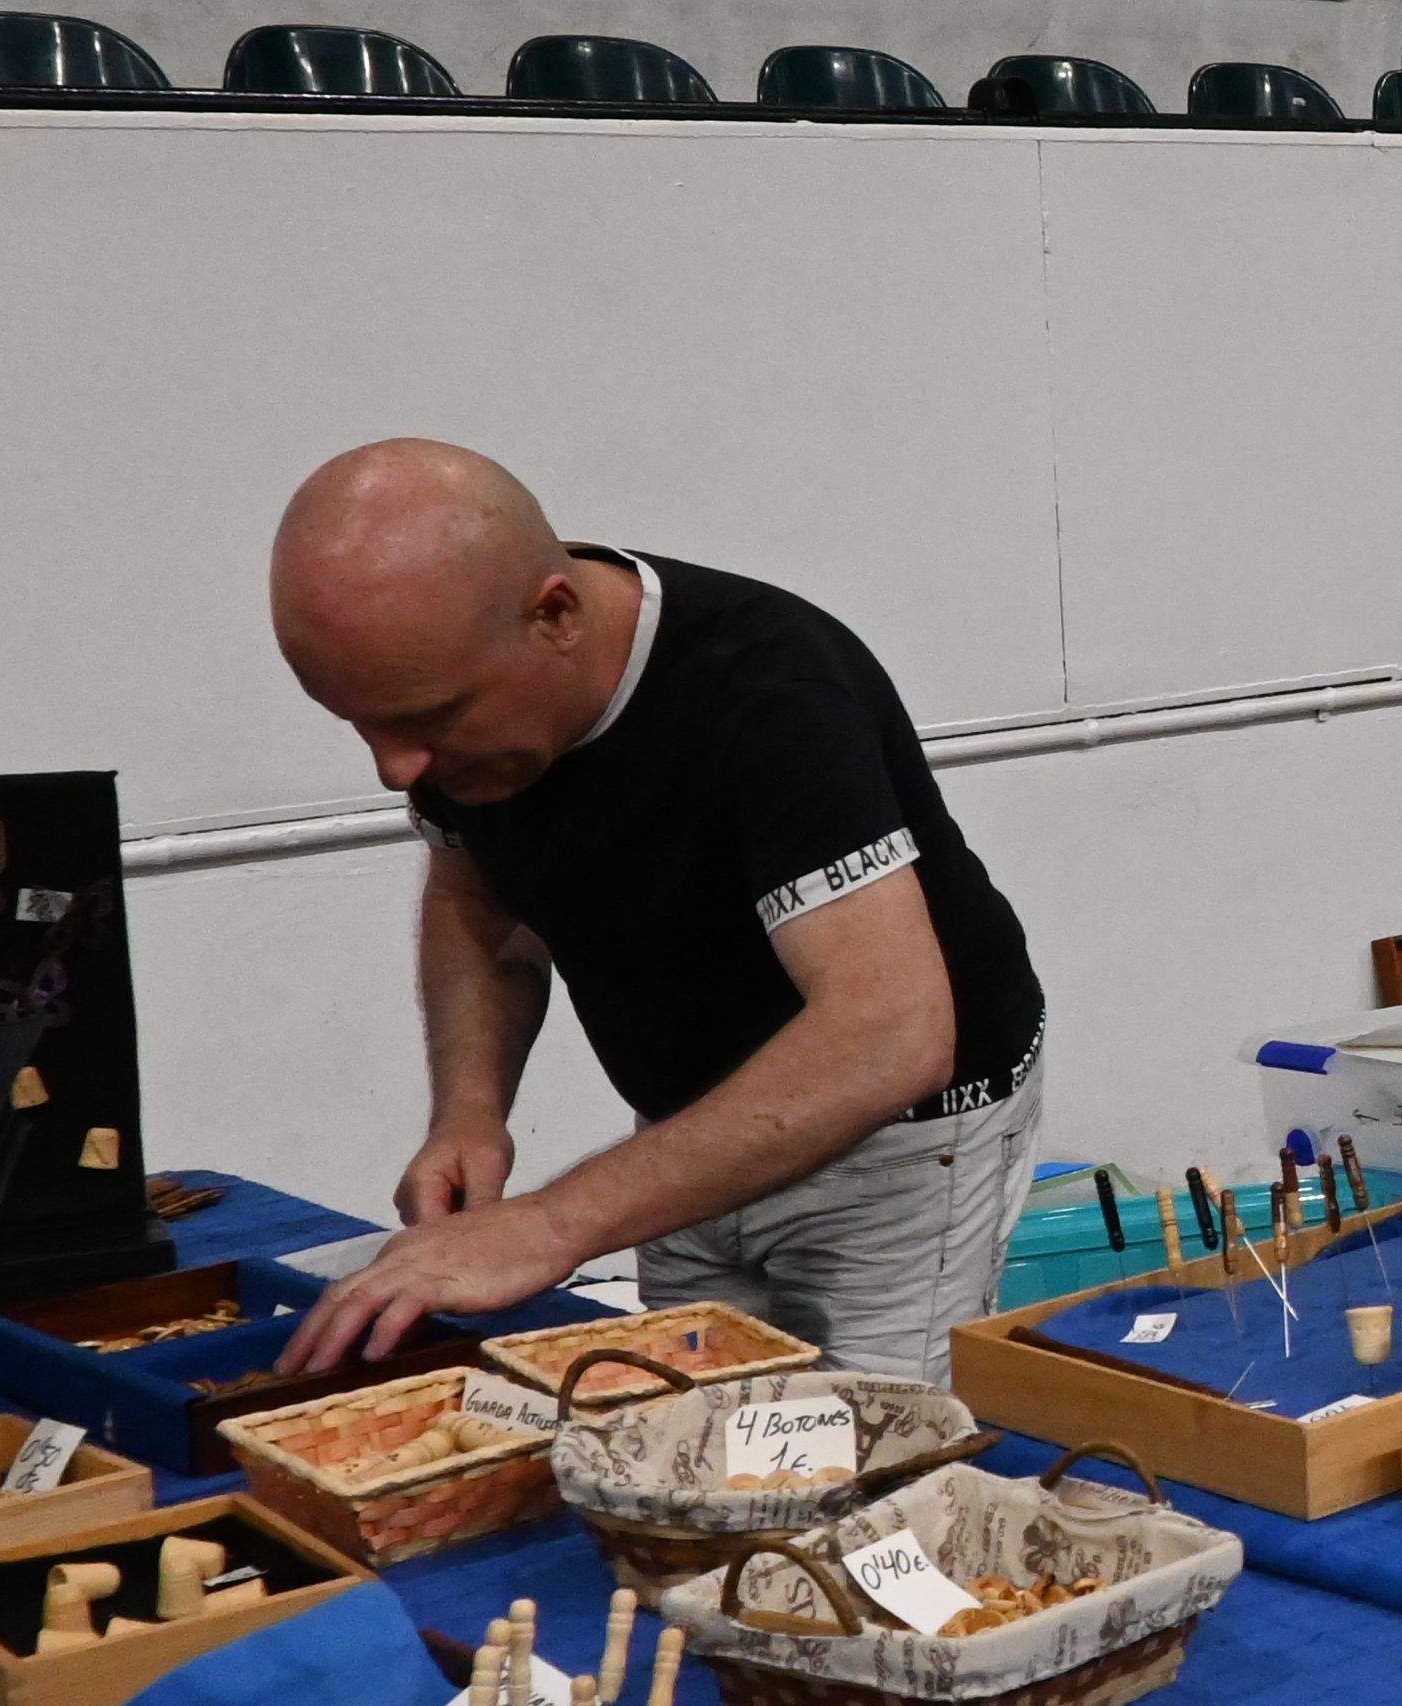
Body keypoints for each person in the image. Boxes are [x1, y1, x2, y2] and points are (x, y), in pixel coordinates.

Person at [268, 444, 1045, 1383]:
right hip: (690, 1123)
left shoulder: (770, 693)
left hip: (898, 1136)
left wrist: (554, 1223)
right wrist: (470, 1115)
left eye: (425, 720)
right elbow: (476, 898)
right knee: (694, 1436)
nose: (395, 769)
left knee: (858, 1457)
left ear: (554, 616)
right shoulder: (470, 719)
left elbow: (888, 1035)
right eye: (357, 723)